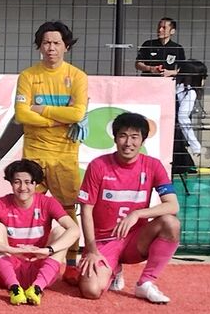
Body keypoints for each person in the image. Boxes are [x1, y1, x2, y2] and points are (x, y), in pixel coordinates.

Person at [77, 112, 180, 304]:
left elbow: (173, 205)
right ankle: (113, 269)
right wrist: (91, 249)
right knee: (91, 291)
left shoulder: (153, 165)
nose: (128, 143)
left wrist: (137, 214)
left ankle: (146, 283)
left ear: (142, 140)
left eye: (134, 137)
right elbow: (86, 210)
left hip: (136, 240)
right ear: (115, 138)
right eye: (123, 136)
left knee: (171, 223)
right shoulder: (98, 165)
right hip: (104, 241)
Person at [14, 20, 88, 268]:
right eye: (46, 43)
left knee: (67, 209)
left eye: (56, 43)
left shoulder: (77, 77)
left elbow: (77, 114)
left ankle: (71, 262)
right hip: (34, 153)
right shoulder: (28, 76)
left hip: (65, 155)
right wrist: (57, 120)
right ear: (39, 46)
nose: (51, 48)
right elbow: (21, 114)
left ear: (66, 46)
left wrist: (42, 110)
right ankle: (25, 259)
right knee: (26, 206)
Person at [0, 159, 80, 306]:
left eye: (28, 182)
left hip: (39, 267)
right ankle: (14, 288)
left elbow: (74, 230)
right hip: (8, 269)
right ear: (11, 183)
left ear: (36, 184)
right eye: (17, 182)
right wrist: (10, 250)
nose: (22, 187)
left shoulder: (48, 202)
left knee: (61, 231)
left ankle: (37, 288)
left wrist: (47, 250)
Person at [172, 60, 207, 173]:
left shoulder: (174, 86)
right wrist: (195, 145)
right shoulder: (190, 92)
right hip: (176, 135)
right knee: (187, 169)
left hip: (168, 130)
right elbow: (183, 117)